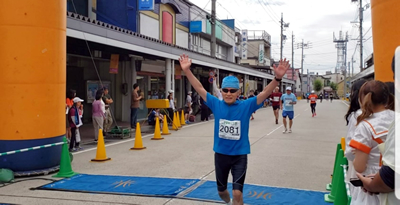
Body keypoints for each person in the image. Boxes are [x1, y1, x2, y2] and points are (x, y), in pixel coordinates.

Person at [178, 54, 289, 205]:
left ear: (238, 93)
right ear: (221, 91)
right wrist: (187, 71)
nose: (228, 93)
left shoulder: (246, 106)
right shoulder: (216, 104)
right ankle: (228, 201)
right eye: (226, 90)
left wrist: (277, 79)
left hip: (239, 156)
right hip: (221, 155)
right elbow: (199, 87)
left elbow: (264, 94)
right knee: (222, 192)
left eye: (232, 90)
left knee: (237, 193)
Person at [348, 80, 394, 205]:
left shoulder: (366, 125)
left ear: (363, 98)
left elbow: (359, 166)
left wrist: (355, 153)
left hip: (372, 185)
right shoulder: (397, 118)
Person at [343, 79, 367, 195]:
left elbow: (350, 148)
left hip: (359, 165)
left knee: (358, 196)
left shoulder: (357, 115)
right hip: (381, 171)